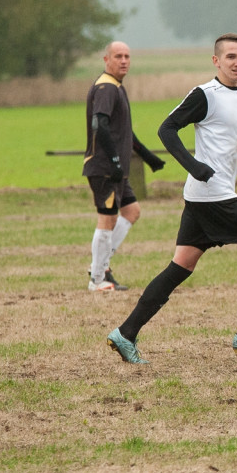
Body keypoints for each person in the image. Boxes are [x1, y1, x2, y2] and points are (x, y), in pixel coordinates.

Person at [106, 33, 237, 364]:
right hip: (213, 194)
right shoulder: (205, 94)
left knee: (180, 266)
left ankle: (125, 333)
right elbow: (167, 129)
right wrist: (194, 165)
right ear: (216, 61)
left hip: (203, 197)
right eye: (231, 57)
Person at [82, 40, 165, 291]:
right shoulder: (106, 87)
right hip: (105, 168)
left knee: (131, 212)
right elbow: (100, 126)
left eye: (127, 56)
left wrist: (147, 156)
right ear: (106, 60)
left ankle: (102, 264)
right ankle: (97, 279)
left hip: (117, 169)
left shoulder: (117, 86)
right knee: (106, 219)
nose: (124, 60)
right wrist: (116, 161)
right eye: (118, 56)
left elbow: (124, 131)